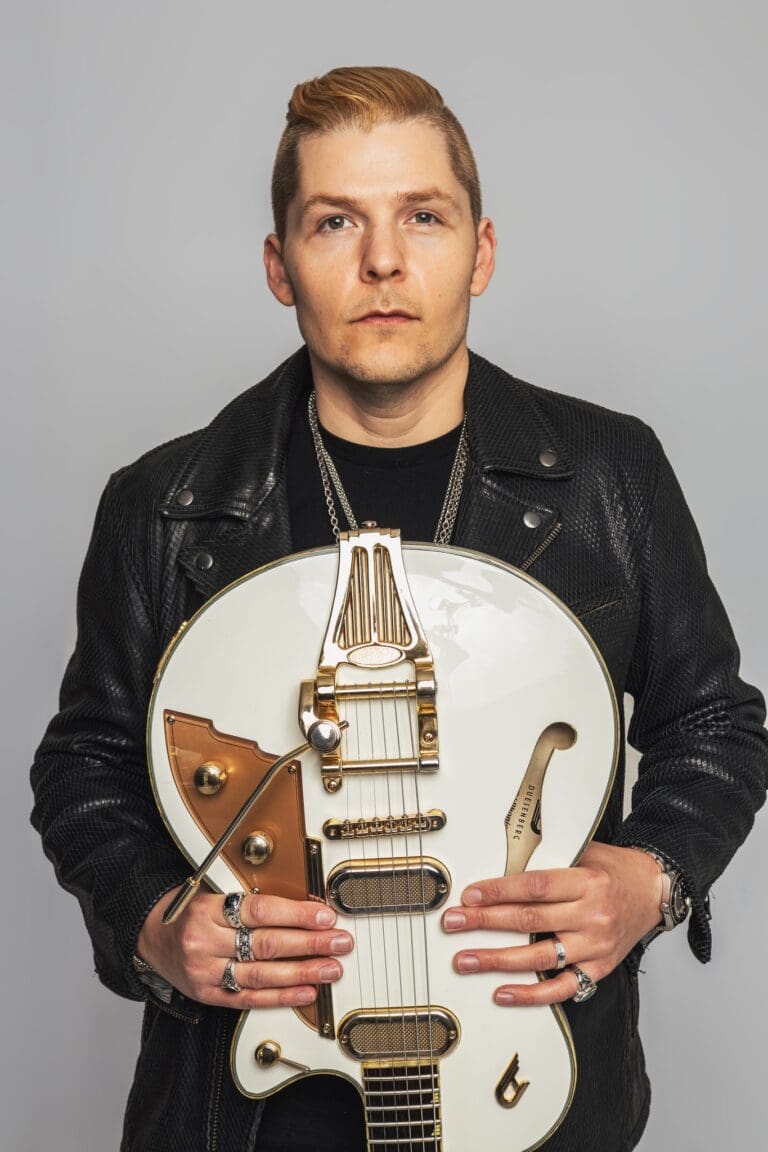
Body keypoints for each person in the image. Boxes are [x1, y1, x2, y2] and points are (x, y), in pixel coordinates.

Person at [30, 65, 767, 1152]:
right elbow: (85, 766)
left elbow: (715, 723)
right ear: (280, 266)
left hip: (529, 1090)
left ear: (481, 250)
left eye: (424, 216)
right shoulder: (163, 505)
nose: (383, 260)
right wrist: (155, 923)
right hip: (246, 1113)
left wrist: (652, 878)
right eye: (336, 222)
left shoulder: (613, 473)